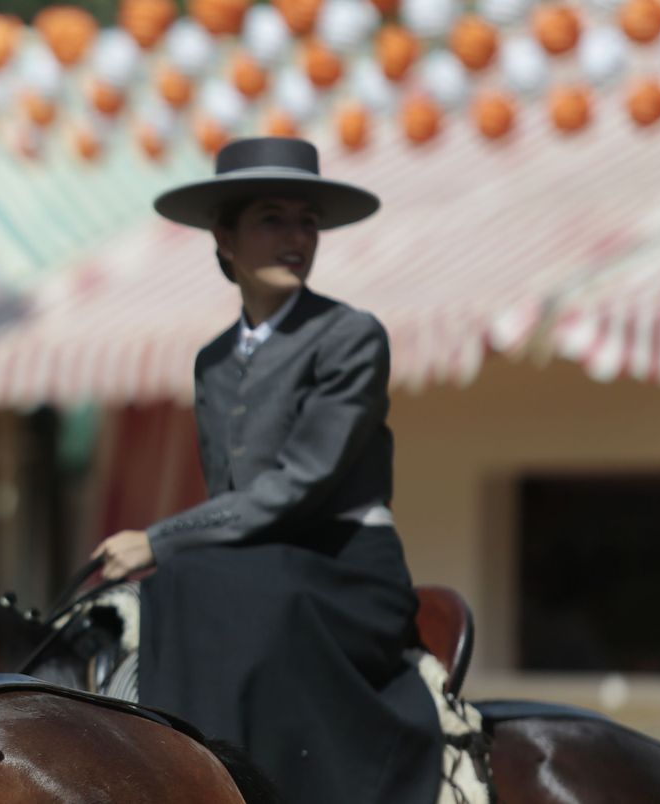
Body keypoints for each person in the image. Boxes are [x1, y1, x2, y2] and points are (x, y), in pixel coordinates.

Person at [91, 137, 442, 804]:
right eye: (273, 219)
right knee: (177, 589)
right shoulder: (213, 360)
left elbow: (302, 479)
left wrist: (158, 540)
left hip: (345, 569)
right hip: (258, 567)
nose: (297, 237)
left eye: (307, 221)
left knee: (198, 574)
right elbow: (231, 497)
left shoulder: (350, 335)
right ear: (225, 237)